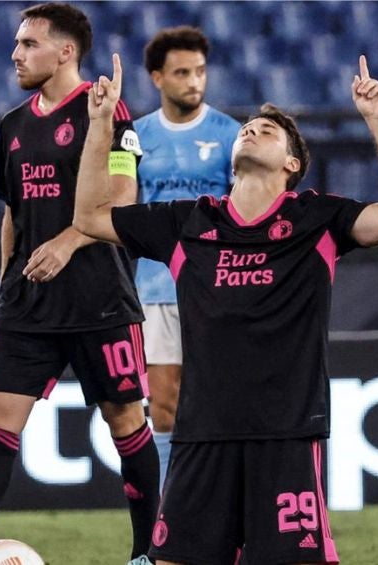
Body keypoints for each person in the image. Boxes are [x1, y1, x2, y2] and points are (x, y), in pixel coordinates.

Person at [74, 55, 378, 565]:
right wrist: (99, 125)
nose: (252, 131)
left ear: (291, 165)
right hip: (201, 435)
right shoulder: (190, 221)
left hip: (285, 434)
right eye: (247, 127)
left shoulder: (317, 219)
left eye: (267, 130)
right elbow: (89, 216)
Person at [0, 4, 157, 565]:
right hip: (28, 303)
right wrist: (6, 284)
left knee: (124, 422)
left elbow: (123, 200)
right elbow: (13, 214)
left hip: (100, 299)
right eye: (16, 44)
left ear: (65, 51)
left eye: (27, 44)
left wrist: (69, 241)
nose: (14, 54)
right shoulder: (12, 125)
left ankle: (146, 553)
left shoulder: (107, 109)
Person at [133, 26, 240, 488]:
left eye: (199, 71)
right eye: (181, 73)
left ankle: (220, 504)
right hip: (156, 286)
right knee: (165, 404)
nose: (193, 81)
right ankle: (166, 514)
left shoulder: (231, 135)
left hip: (217, 286)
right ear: (157, 78)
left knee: (221, 399)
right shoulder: (134, 137)